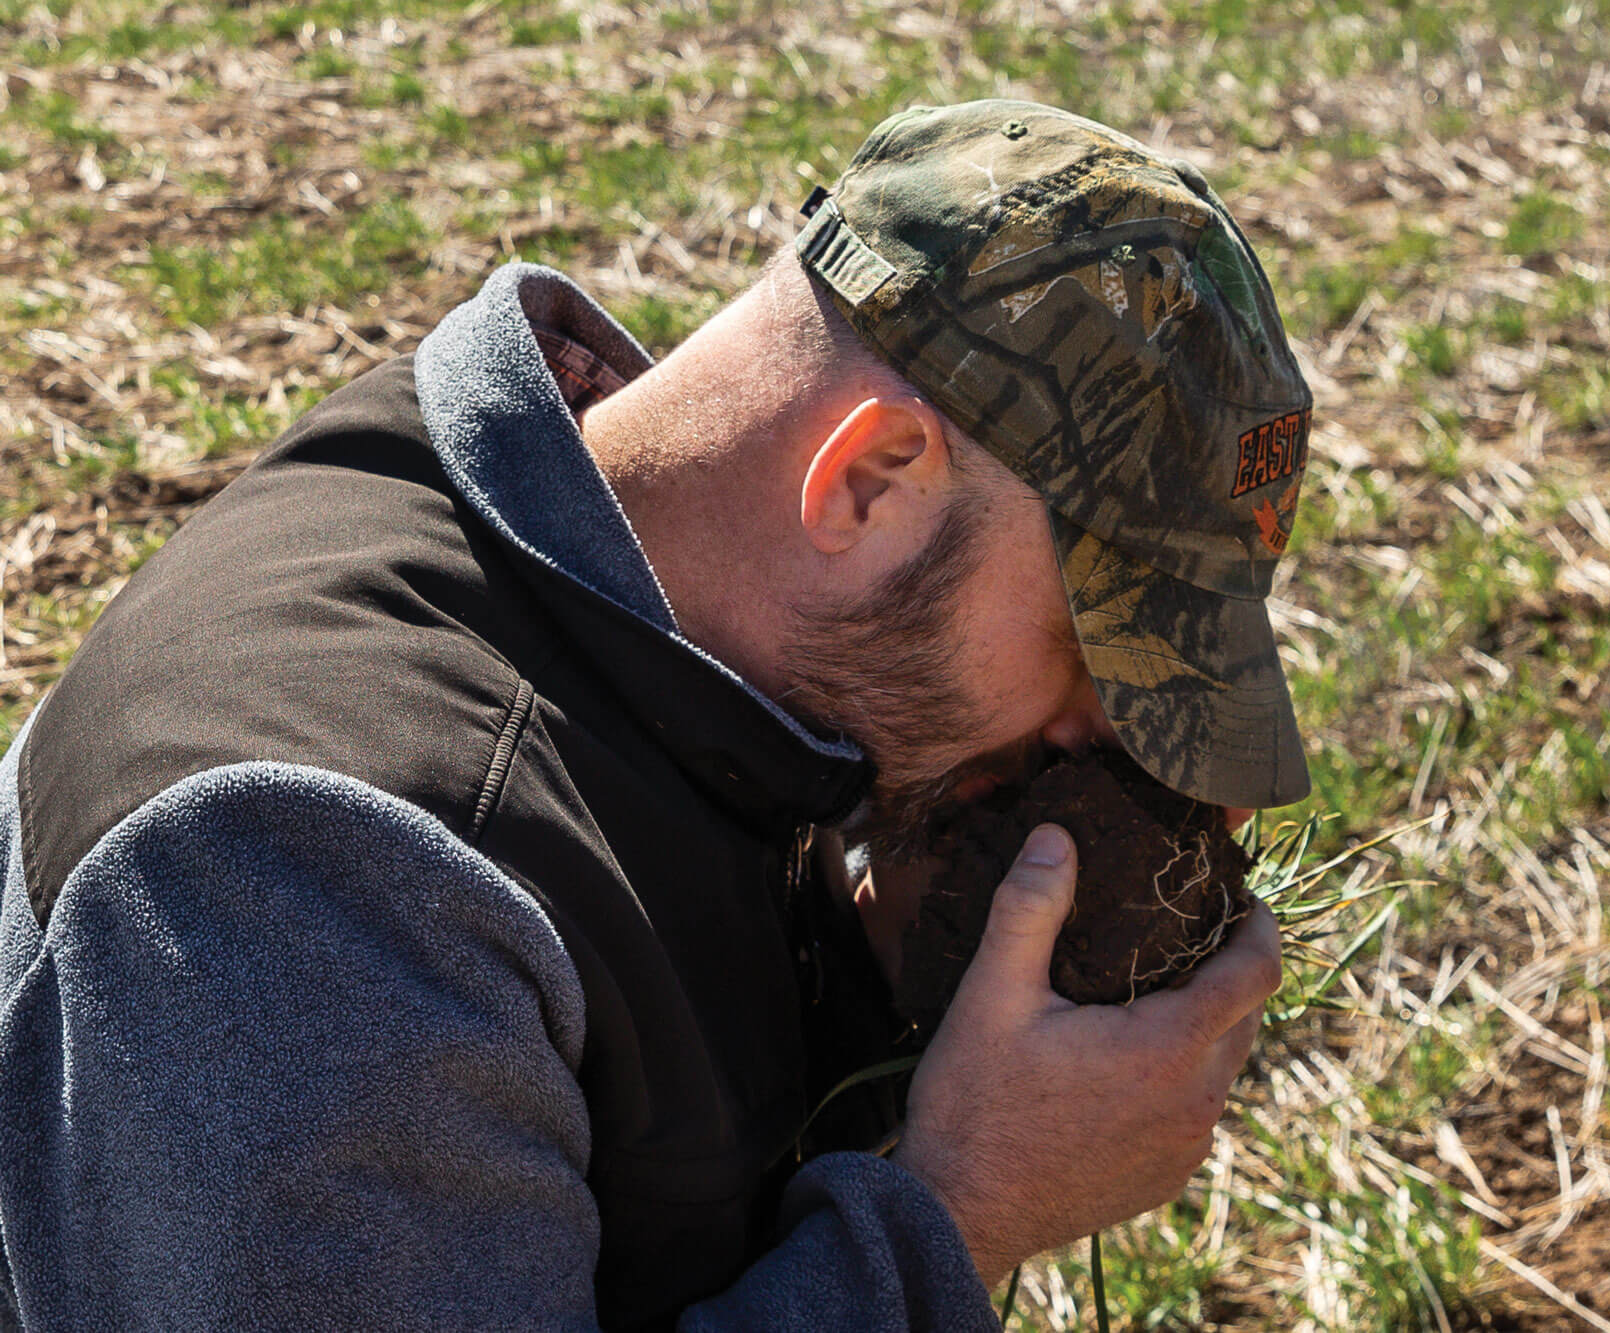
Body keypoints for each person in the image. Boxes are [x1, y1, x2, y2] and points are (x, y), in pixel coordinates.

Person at [0, 99, 1313, 1329]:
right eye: (1096, 646)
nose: (1104, 734)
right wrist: (962, 1210)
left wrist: (863, 966)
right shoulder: (319, 893)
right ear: (865, 478)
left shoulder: (646, 594)